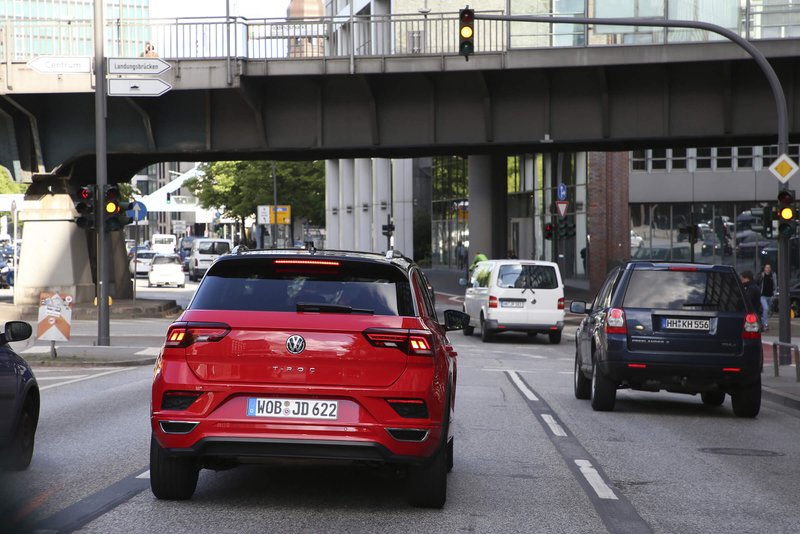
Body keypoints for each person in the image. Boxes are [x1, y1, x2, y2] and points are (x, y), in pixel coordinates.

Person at [756, 263, 776, 331]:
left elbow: (775, 284)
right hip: (763, 296)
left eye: (769, 267)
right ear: (764, 268)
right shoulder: (762, 275)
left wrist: (774, 293)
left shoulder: (773, 275)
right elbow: (757, 283)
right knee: (766, 308)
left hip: (770, 296)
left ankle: (762, 322)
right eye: (766, 267)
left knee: (767, 311)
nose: (768, 269)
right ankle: (765, 324)